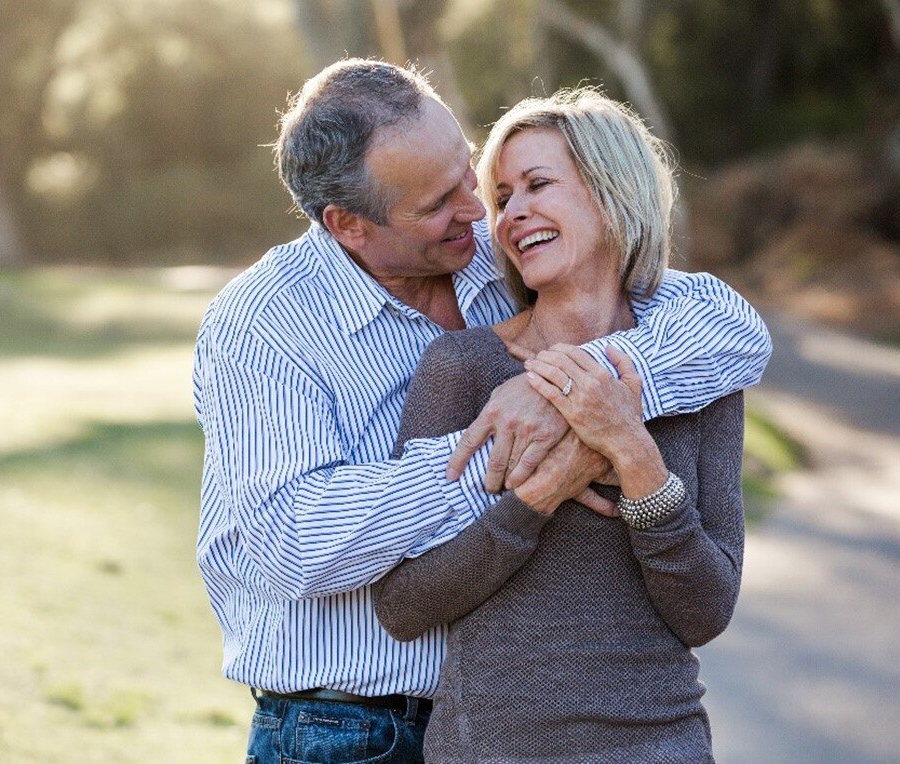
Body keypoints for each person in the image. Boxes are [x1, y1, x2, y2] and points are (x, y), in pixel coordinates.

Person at [192, 59, 769, 763]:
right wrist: (514, 459)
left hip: (506, 720)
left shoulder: (496, 263)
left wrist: (572, 391)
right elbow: (293, 541)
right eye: (440, 200)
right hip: (343, 729)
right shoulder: (263, 324)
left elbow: (727, 325)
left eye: (468, 173)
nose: (478, 209)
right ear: (348, 225)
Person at [370, 89, 743, 761]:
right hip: (493, 749)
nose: (511, 214)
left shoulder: (697, 369)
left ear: (610, 192)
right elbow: (403, 605)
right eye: (503, 196)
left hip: (660, 745)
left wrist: (631, 450)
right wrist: (539, 495)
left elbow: (706, 611)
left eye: (537, 185)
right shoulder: (465, 366)